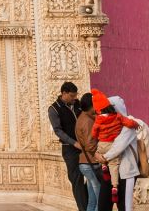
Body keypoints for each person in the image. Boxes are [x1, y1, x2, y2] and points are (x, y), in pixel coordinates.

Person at [90, 89, 139, 206]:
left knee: (125, 207)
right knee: (103, 205)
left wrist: (102, 157)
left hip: (126, 173)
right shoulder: (109, 123)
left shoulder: (129, 124)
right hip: (109, 170)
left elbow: (118, 146)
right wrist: (96, 154)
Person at [48, 81, 87, 211]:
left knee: (95, 176)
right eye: (71, 96)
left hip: (86, 147)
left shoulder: (78, 104)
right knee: (77, 180)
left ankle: (92, 206)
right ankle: (84, 208)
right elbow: (58, 131)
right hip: (70, 149)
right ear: (63, 93)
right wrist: (74, 143)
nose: (74, 98)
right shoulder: (54, 109)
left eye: (76, 95)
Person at [75, 93, 101, 211]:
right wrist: (101, 154)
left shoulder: (83, 117)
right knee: (100, 199)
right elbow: (90, 145)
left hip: (85, 163)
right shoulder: (88, 121)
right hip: (90, 163)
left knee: (92, 200)